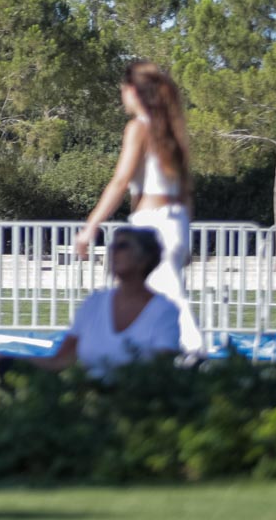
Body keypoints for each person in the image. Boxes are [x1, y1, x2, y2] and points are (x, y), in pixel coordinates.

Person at [75, 61, 203, 354]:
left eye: (123, 90)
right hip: (175, 221)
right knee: (157, 295)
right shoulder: (170, 132)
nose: (122, 96)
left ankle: (197, 355)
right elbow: (185, 192)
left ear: (133, 91)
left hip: (152, 222)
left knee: (168, 297)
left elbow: (120, 181)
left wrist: (89, 227)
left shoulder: (139, 128)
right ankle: (156, 356)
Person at [0, 227, 180, 378]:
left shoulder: (164, 312)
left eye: (122, 246)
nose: (112, 251)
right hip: (88, 397)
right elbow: (59, 361)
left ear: (144, 258)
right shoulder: (94, 303)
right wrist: (5, 358)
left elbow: (161, 374)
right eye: (112, 245)